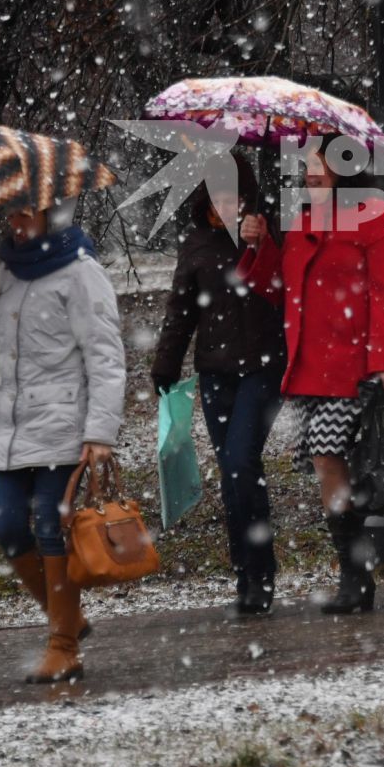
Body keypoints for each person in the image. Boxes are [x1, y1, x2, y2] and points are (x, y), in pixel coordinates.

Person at [0, 195, 124, 684]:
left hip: (64, 424)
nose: (16, 223)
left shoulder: (81, 272)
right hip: (12, 425)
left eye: (26, 212)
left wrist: (99, 432)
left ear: (54, 214)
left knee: (51, 530)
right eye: (10, 213)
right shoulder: (9, 271)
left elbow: (106, 355)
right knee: (8, 526)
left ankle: (63, 645)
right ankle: (67, 615)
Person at [238, 142, 384, 614]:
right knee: (327, 467)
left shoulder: (374, 214)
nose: (311, 173)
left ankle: (356, 574)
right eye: (308, 164)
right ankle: (356, 574)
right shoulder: (303, 219)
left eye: (322, 163)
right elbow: (280, 289)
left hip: (352, 365)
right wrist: (259, 245)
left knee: (328, 455)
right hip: (309, 366)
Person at [151, 156, 286, 614]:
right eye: (217, 197)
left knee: (241, 462)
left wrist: (262, 244)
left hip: (264, 369)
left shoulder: (270, 232)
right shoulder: (196, 245)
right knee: (232, 474)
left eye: (235, 197)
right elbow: (181, 311)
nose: (226, 206)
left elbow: (283, 288)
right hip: (216, 373)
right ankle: (245, 573)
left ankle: (261, 570)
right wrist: (165, 365)